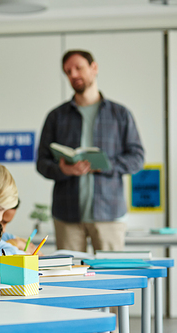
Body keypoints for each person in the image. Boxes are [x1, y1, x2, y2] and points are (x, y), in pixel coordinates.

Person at [36, 50, 144, 252]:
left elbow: (137, 158)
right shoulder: (56, 116)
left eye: (79, 68)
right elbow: (41, 162)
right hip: (66, 215)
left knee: (112, 278)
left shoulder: (120, 114)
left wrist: (105, 165)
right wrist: (64, 170)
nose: (73, 74)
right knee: (68, 279)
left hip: (109, 214)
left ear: (94, 68)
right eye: (68, 71)